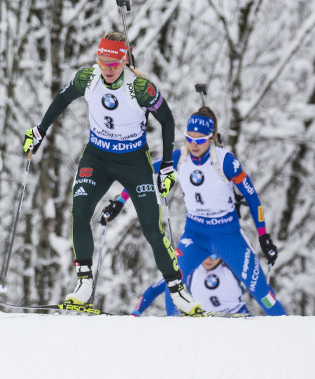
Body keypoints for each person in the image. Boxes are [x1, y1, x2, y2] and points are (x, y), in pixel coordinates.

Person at [22, 32, 202, 314]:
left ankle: (178, 290)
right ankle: (83, 283)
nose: (107, 69)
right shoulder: (88, 78)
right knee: (79, 210)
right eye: (102, 61)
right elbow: (61, 100)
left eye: (114, 64)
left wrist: (167, 165)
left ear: (124, 61)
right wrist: (39, 131)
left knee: (151, 228)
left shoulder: (140, 87)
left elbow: (167, 119)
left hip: (133, 160)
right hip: (98, 156)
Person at [102, 106, 286, 315]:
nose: (194, 144)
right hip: (195, 235)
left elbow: (252, 197)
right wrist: (119, 202)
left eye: (200, 140)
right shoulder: (180, 158)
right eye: (189, 138)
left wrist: (263, 236)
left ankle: (288, 330)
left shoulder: (226, 161)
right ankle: (177, 339)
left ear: (211, 138)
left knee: (261, 292)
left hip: (227, 235)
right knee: (173, 283)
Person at [130, 255, 249, 316]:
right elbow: (154, 290)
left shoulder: (233, 268)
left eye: (214, 256)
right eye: (205, 254)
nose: (209, 259)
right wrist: (136, 313)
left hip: (237, 317)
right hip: (206, 321)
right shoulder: (190, 270)